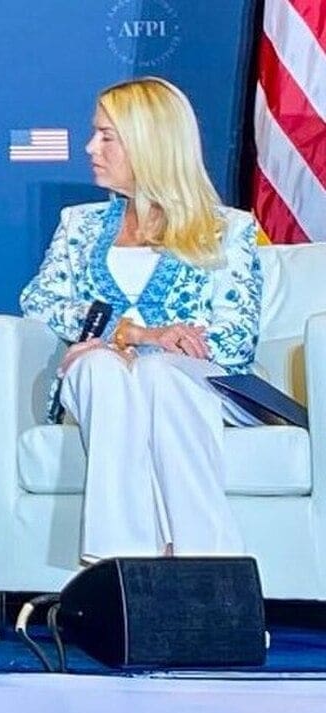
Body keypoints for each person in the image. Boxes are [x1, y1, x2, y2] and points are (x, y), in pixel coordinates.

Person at [21, 76, 263, 563]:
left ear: (149, 143)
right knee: (98, 368)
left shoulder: (228, 229)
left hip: (191, 384)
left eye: (106, 136)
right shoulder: (80, 224)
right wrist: (124, 335)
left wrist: (154, 350)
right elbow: (39, 301)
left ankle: (208, 572)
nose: (90, 147)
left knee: (159, 373)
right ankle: (121, 568)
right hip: (101, 375)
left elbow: (237, 339)